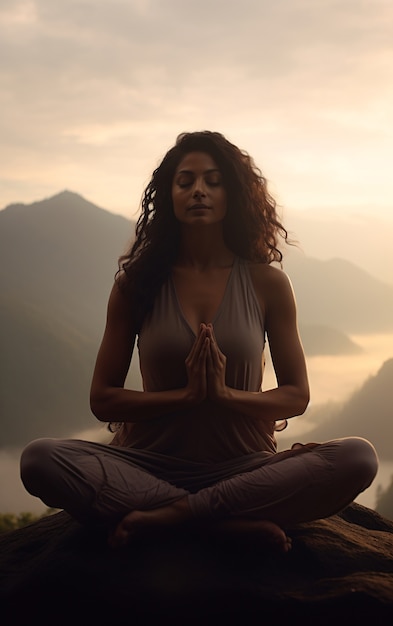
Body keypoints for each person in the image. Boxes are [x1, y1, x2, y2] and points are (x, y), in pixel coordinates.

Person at [20, 131, 378, 553]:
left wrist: (224, 395)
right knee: (39, 459)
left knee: (358, 457)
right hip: (148, 466)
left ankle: (175, 517)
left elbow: (296, 396)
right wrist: (186, 396)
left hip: (245, 468)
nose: (199, 192)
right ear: (169, 195)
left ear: (233, 193)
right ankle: (221, 522)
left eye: (213, 180)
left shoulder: (268, 283)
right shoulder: (138, 284)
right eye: (185, 181)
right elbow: (103, 399)